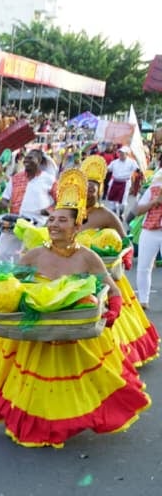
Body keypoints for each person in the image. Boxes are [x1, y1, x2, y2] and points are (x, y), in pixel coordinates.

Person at [0, 170, 149, 448]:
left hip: (75, 333)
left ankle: (66, 423)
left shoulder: (88, 257)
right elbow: (10, 283)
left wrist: (112, 309)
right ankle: (36, 427)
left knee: (75, 384)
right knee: (34, 386)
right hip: (36, 333)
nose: (54, 225)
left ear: (77, 226)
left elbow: (112, 289)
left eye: (62, 220)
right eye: (52, 219)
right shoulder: (33, 254)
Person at [81, 155, 157, 366]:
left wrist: (124, 257)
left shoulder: (106, 215)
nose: (88, 191)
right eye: (84, 187)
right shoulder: (70, 213)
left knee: (106, 316)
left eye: (93, 187)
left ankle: (110, 358)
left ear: (100, 189)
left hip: (103, 274)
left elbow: (126, 241)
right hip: (75, 271)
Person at [0, 149, 56, 264]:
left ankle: (28, 279)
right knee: (4, 252)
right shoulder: (15, 178)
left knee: (30, 255)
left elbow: (60, 200)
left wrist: (49, 210)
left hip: (37, 223)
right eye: (26, 158)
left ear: (39, 161)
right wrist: (7, 205)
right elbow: (5, 198)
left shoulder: (49, 179)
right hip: (15, 221)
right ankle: (6, 277)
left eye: (31, 158)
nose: (27, 160)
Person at [133, 167, 162, 313]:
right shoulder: (154, 188)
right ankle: (143, 300)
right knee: (144, 267)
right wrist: (155, 202)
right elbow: (137, 210)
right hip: (150, 230)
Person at [104, 146, 138, 216]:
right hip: (114, 182)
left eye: (122, 153)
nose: (121, 155)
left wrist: (139, 170)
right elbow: (108, 169)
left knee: (122, 201)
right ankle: (113, 214)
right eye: (120, 153)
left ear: (126, 154)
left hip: (125, 183)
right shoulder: (114, 162)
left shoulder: (132, 162)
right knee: (111, 199)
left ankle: (121, 214)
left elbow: (136, 169)